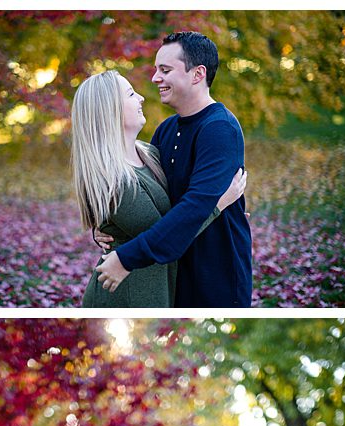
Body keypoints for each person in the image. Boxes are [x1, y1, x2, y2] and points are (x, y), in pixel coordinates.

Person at [91, 31, 252, 308]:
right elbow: (149, 199)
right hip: (172, 274)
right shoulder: (166, 130)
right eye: (156, 69)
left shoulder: (219, 129)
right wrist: (108, 225)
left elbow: (196, 206)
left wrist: (126, 258)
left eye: (165, 70)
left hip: (215, 276)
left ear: (197, 74)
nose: (155, 78)